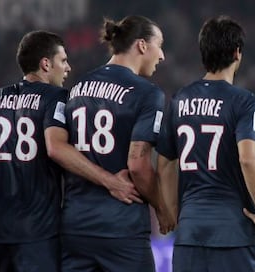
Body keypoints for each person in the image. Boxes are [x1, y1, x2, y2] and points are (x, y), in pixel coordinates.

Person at [156, 15, 255, 272]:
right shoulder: (245, 102)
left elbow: (164, 163)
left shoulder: (179, 100)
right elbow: (247, 158)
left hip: (190, 233)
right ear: (237, 53)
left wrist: (175, 213)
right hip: (233, 233)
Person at [61, 15, 173, 272]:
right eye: (160, 44)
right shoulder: (147, 93)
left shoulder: (78, 87)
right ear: (142, 46)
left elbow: (61, 149)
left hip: (74, 224)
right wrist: (162, 207)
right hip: (120, 227)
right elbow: (137, 165)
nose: (163, 55)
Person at [0, 30, 70, 272]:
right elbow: (59, 149)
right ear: (46, 64)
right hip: (39, 232)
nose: (68, 68)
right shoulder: (57, 98)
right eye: (63, 60)